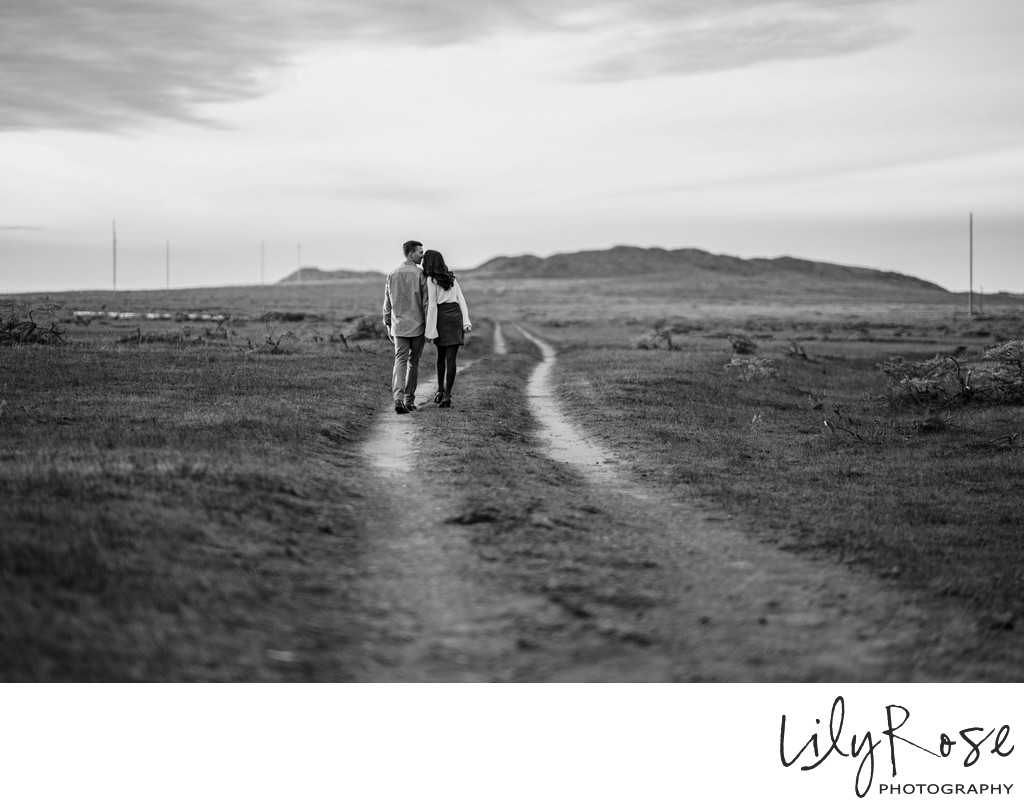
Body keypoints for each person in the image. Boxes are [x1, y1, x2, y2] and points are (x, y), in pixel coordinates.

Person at [383, 240, 428, 414]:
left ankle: (398, 399)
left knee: (400, 360)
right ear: (411, 254)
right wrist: (429, 326)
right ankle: (409, 400)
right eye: (420, 252)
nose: (422, 256)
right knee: (413, 362)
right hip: (417, 325)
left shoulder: (392, 274)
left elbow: (387, 302)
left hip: (399, 325)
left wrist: (388, 322)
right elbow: (426, 303)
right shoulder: (420, 274)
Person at [422, 249, 471, 408]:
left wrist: (429, 330)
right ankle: (447, 395)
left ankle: (440, 390)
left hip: (441, 317)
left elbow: (432, 305)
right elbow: (460, 299)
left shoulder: (431, 279)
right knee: (451, 359)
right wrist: (466, 322)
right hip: (455, 316)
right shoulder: (451, 277)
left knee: (440, 355)